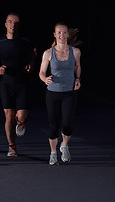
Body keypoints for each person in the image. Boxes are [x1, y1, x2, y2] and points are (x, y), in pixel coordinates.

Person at [0, 12, 37, 157]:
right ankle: (12, 146)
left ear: (19, 25)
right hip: (6, 84)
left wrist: (31, 63)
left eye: (16, 23)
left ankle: (20, 121)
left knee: (22, 116)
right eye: (10, 22)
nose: (13, 25)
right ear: (5, 25)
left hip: (22, 83)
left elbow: (34, 52)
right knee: (8, 116)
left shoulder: (25, 42)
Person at [39, 22, 81, 165]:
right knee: (53, 125)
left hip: (69, 92)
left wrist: (78, 79)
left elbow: (78, 66)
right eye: (59, 33)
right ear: (55, 35)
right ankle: (53, 153)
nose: (62, 36)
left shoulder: (75, 52)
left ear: (68, 35)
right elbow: (41, 72)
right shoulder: (48, 53)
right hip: (52, 94)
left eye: (64, 33)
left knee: (67, 124)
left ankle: (64, 146)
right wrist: (45, 79)